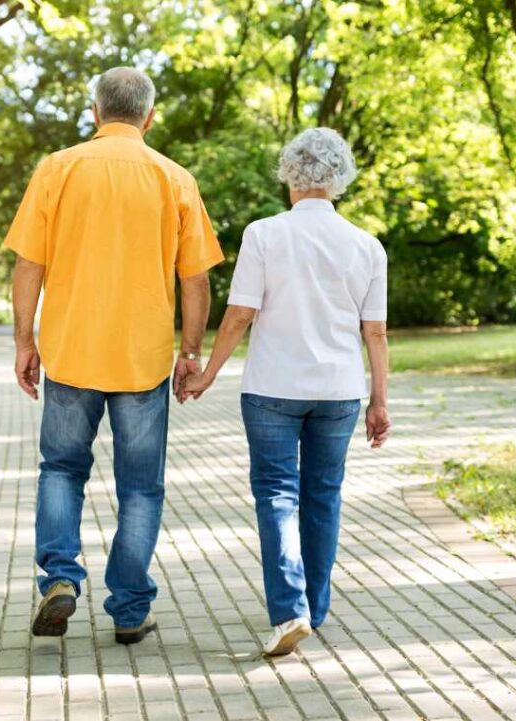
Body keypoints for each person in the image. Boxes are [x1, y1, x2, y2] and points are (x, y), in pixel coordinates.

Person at [6, 67, 223, 644]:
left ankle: (59, 577)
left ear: (95, 112)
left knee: (61, 468)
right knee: (141, 486)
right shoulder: (174, 178)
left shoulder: (57, 169)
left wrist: (24, 341)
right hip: (143, 358)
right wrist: (192, 351)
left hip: (72, 350)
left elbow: (29, 265)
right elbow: (196, 279)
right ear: (149, 118)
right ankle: (129, 609)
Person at [180, 127, 390, 657]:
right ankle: (314, 610)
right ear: (340, 178)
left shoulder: (264, 234)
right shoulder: (367, 246)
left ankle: (290, 610)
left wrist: (207, 372)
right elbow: (376, 333)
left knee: (277, 495)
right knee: (324, 496)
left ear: (288, 176)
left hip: (272, 387)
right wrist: (379, 400)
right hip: (339, 392)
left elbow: (240, 315)